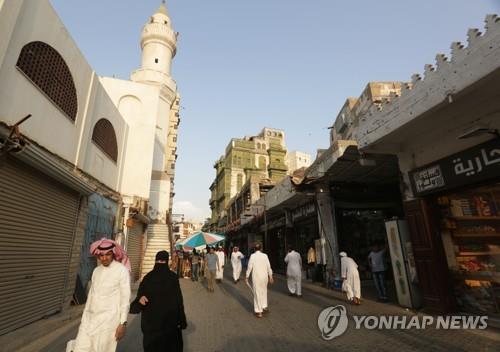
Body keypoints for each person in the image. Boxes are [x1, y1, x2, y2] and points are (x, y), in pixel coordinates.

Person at [70, 238, 131, 352]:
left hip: (108, 322)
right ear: (98, 255)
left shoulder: (121, 271)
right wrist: (84, 320)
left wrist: (123, 323)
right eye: (101, 255)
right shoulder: (96, 271)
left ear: (113, 254)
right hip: (90, 320)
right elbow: (91, 297)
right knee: (80, 348)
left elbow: (125, 299)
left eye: (107, 255)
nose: (104, 258)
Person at [131, 250, 187, 352]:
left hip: (152, 331)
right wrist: (182, 321)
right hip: (170, 328)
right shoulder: (173, 278)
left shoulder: (148, 278)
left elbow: (135, 307)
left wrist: (139, 301)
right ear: (167, 262)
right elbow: (179, 301)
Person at [245, 243, 273, 318]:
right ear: (261, 249)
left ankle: (259, 311)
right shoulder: (265, 255)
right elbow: (268, 266)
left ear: (254, 249)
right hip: (264, 277)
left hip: (256, 277)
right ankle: (264, 306)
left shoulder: (252, 256)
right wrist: (270, 276)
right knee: (264, 291)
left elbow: (249, 267)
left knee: (257, 293)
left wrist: (247, 276)